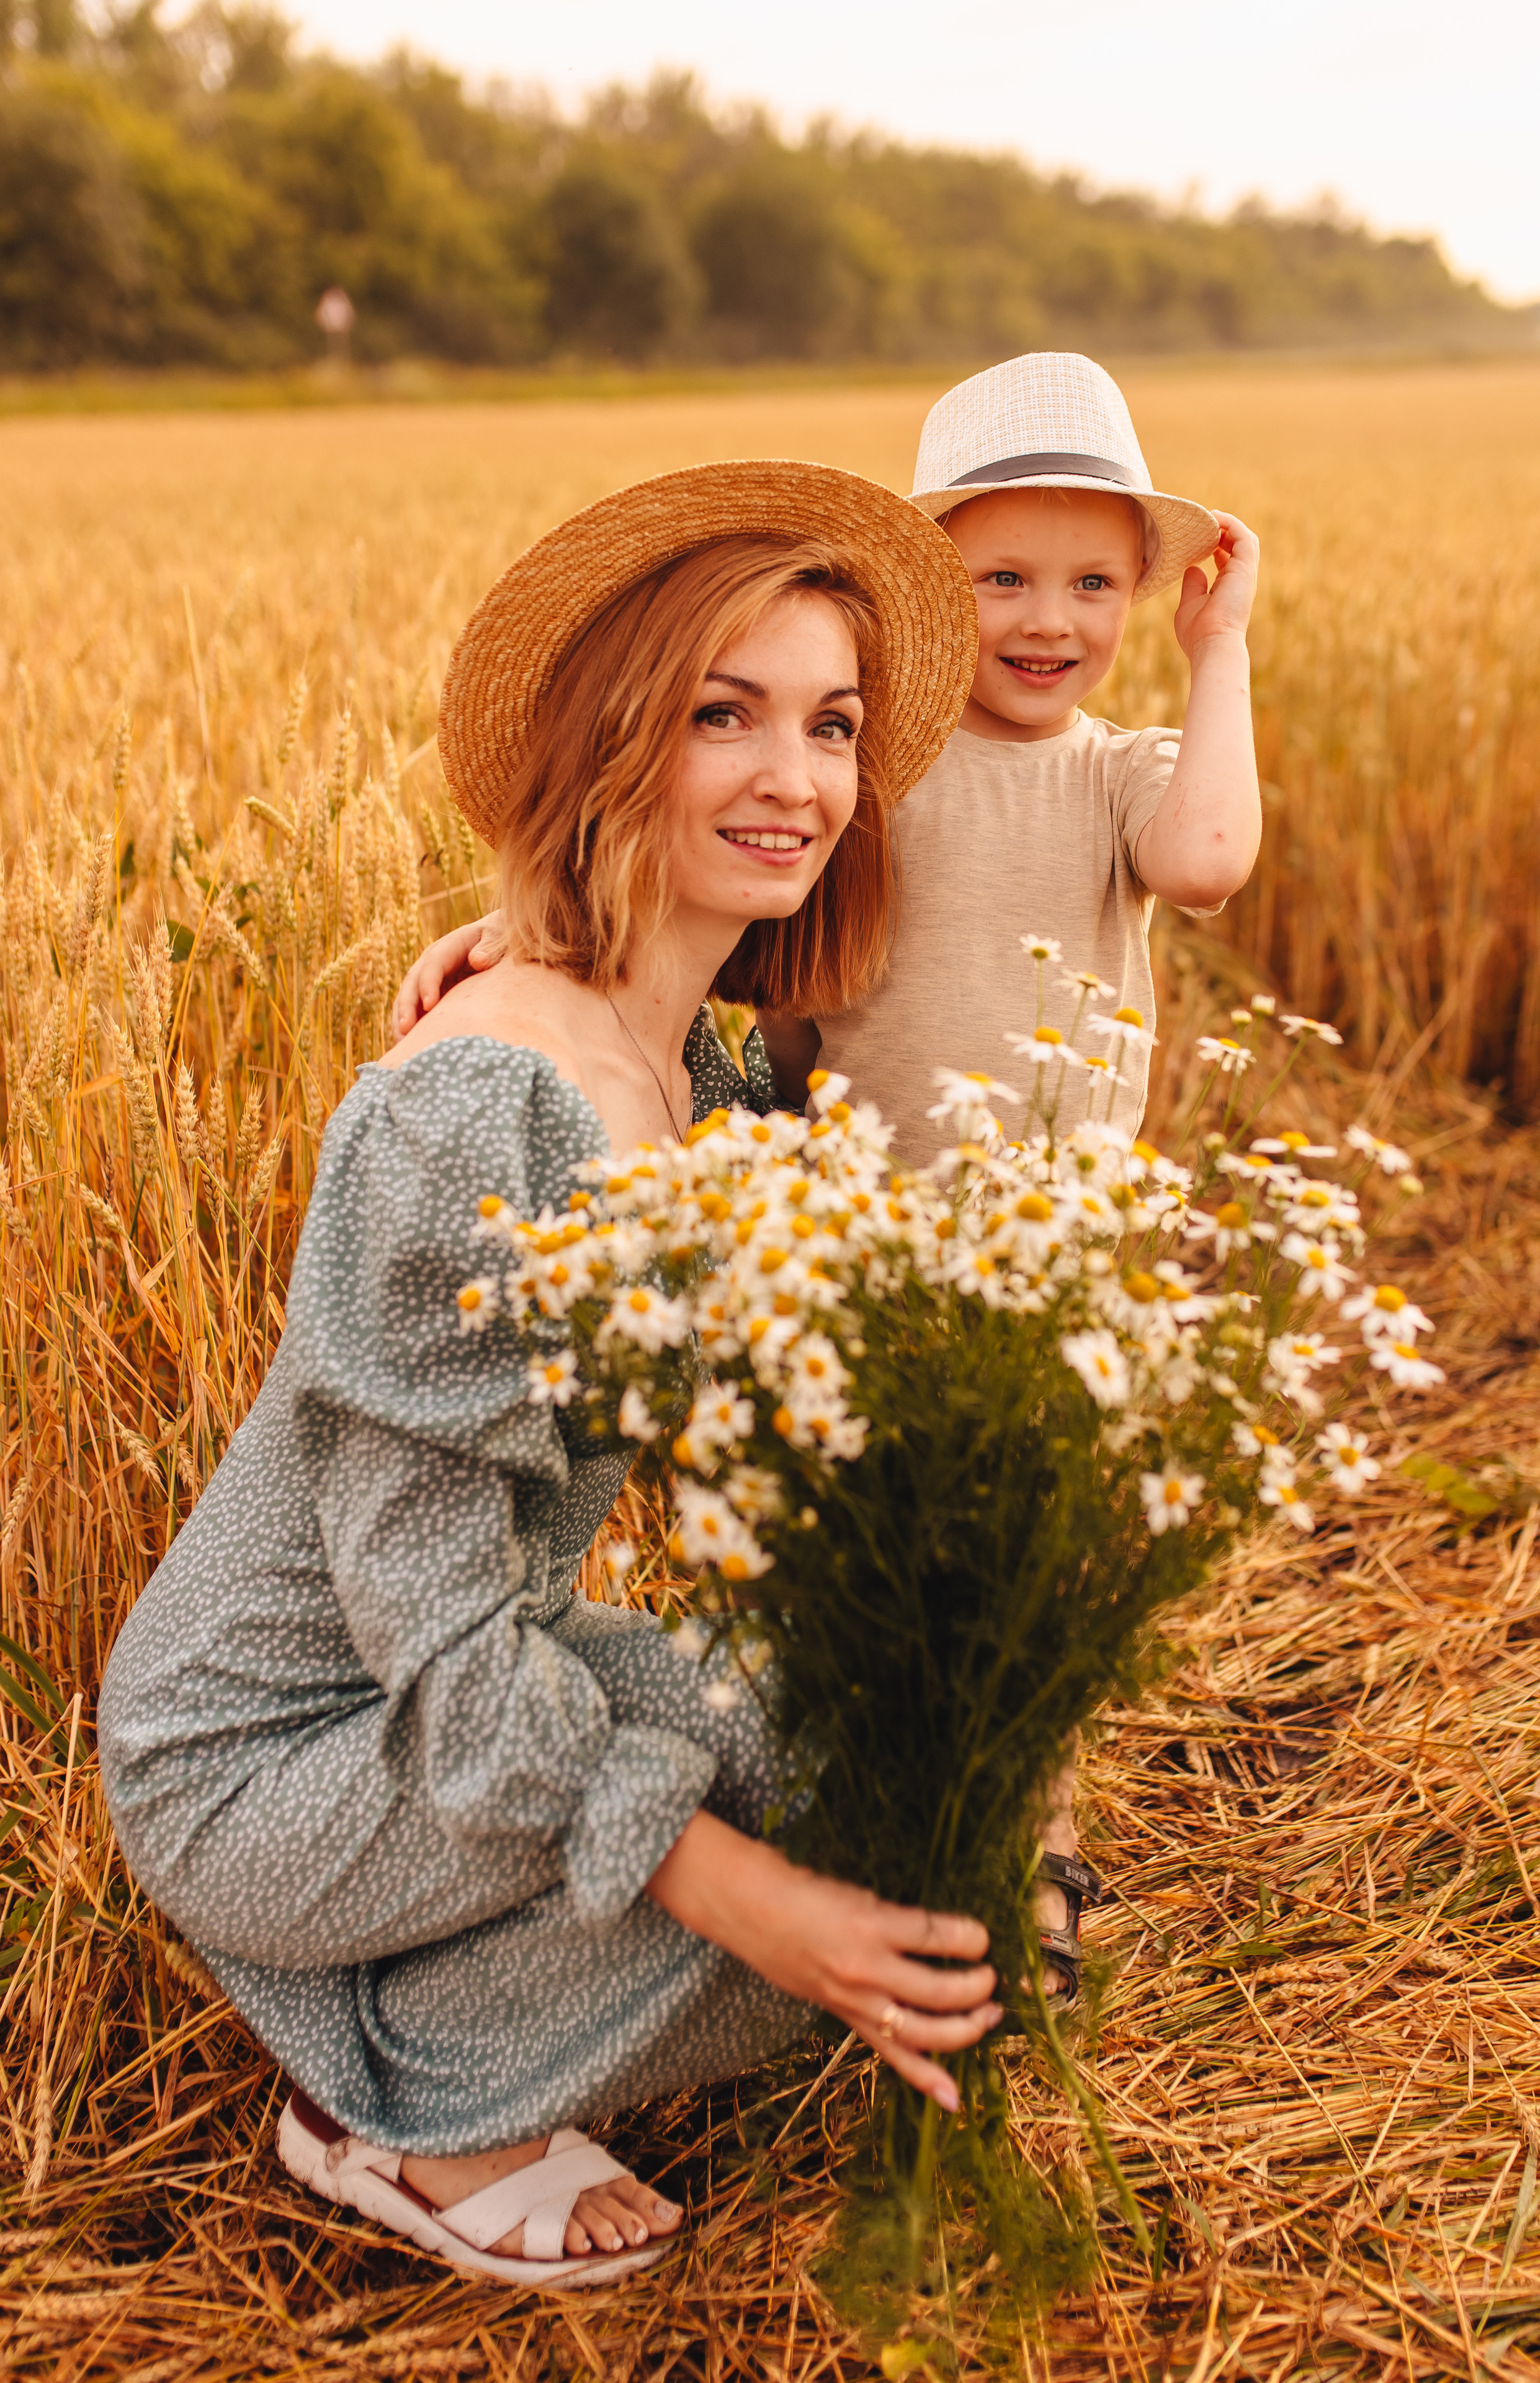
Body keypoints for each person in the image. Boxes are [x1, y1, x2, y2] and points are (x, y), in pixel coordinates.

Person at [97, 460, 1000, 2293]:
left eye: (832, 725)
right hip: (273, 1749)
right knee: (815, 1911)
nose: (799, 777)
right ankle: (402, 2107)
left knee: (906, 1804)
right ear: (612, 740)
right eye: (724, 715)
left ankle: (452, 2002)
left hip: (467, 1675)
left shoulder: (700, 1074)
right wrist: (755, 1900)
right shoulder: (470, 1113)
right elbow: (435, 1631)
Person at [392, 352, 1263, 2009]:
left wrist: (1220, 651)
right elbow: (708, 902)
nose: (1048, 619)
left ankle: (1023, 1844)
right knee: (861, 1553)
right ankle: (875, 1816)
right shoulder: (870, 770)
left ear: (1142, 598)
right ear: (933, 589)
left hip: (1041, 1257)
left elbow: (1211, 861)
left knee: (1016, 1568)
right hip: (839, 1235)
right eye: (1001, 578)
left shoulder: (1121, 773)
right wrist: (522, 937)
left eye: (1094, 583)